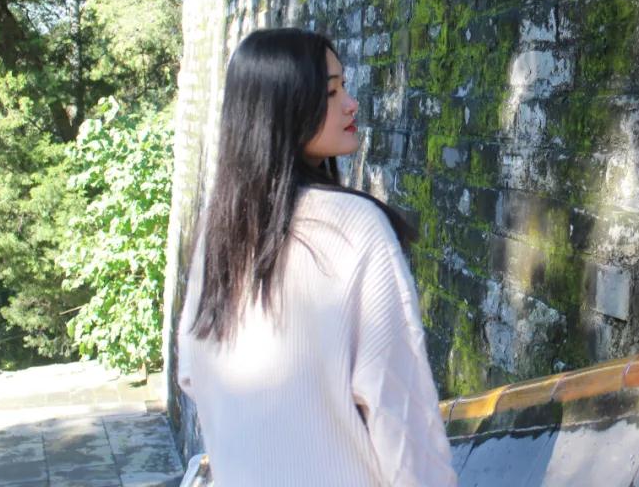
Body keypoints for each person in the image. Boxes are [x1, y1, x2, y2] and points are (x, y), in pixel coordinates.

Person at [177, 28, 457, 487]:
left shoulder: (217, 232)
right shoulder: (355, 227)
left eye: (344, 86)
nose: (351, 104)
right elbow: (401, 417)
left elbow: (192, 374)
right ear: (283, 106)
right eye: (331, 92)